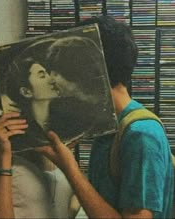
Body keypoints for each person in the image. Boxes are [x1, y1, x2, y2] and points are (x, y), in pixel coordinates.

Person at [36, 15, 174, 219]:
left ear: (92, 71)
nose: (58, 88)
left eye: (67, 70)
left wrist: (70, 168)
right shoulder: (109, 127)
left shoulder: (141, 135)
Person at [0, 39, 79, 218]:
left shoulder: (63, 135)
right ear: (26, 92)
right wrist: (5, 157)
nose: (51, 78)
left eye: (48, 72)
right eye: (42, 75)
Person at [45, 35, 117, 143]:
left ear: (74, 74)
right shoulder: (60, 110)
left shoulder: (111, 113)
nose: (50, 79)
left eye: (55, 73)